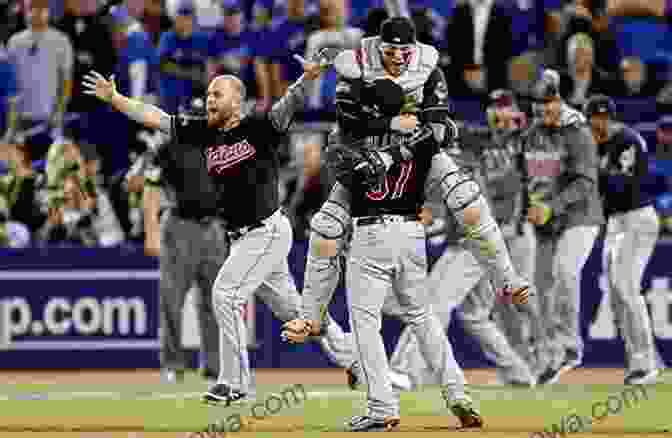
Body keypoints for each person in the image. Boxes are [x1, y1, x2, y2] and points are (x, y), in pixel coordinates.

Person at [282, 17, 530, 431]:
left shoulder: (350, 146)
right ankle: (458, 391)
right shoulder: (412, 137)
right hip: (411, 233)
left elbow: (351, 146)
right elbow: (430, 134)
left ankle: (377, 400)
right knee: (426, 314)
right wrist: (408, 137)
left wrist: (387, 148)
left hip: (372, 232)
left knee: (361, 314)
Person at [82, 48, 331, 405]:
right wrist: (117, 98)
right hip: (237, 234)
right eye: (209, 94)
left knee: (224, 295)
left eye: (218, 93)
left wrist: (307, 78)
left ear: (239, 100)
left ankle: (236, 382)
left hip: (264, 229)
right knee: (296, 312)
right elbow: (154, 116)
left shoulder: (258, 126)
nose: (210, 99)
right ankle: (350, 354)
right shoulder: (203, 133)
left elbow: (286, 106)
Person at [388, 90, 538, 389]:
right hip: (479, 239)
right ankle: (519, 372)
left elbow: (442, 206)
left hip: (474, 242)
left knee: (433, 304)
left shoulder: (451, 150)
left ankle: (407, 370)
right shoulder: (455, 148)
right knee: (473, 314)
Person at [522, 69, 604, 385]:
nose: (543, 109)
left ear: (559, 99)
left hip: (580, 217)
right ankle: (547, 355)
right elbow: (527, 177)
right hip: (546, 221)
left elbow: (586, 182)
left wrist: (550, 207)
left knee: (565, 271)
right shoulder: (532, 133)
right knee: (540, 285)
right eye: (538, 104)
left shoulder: (577, 131)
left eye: (548, 102)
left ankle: (568, 346)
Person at [143, 97, 225, 383]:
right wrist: (151, 232)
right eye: (191, 118)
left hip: (213, 227)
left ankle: (214, 365)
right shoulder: (167, 147)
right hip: (180, 225)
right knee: (172, 299)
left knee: (216, 301)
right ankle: (173, 364)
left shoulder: (219, 145)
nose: (195, 122)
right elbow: (151, 189)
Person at [584, 94, 661, 385]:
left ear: (612, 118)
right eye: (594, 117)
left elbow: (623, 184)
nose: (599, 122)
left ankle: (646, 364)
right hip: (616, 222)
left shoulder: (627, 140)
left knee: (627, 289)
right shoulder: (595, 144)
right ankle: (641, 359)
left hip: (637, 218)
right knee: (617, 295)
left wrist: (592, 176)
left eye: (603, 117)